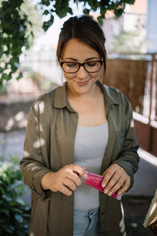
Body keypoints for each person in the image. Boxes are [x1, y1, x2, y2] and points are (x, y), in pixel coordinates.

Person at [20, 15, 139, 236]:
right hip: (56, 221)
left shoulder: (120, 102)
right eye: (71, 65)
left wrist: (125, 167)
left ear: (103, 59)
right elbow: (29, 165)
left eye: (91, 64)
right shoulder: (43, 107)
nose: (82, 74)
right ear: (60, 60)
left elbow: (130, 151)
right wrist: (51, 178)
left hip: (109, 218)